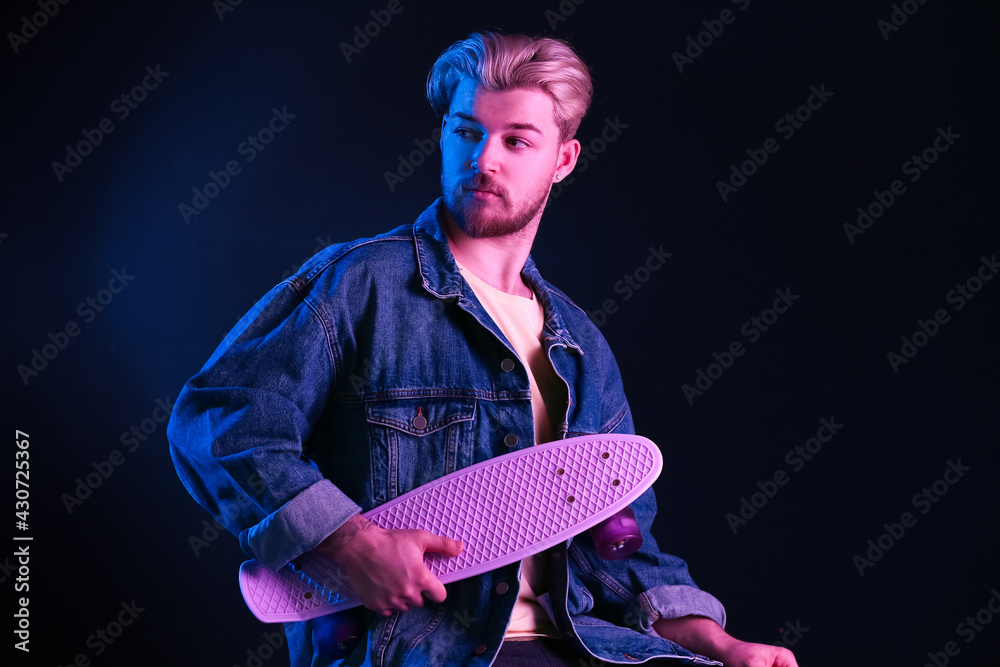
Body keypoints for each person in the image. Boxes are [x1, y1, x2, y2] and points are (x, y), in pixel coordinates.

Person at [167, 32, 798, 667]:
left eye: (516, 140)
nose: (484, 159)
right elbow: (221, 424)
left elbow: (621, 542)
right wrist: (348, 544)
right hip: (420, 649)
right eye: (467, 133)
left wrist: (717, 642)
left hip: (586, 648)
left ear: (564, 159)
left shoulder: (578, 344)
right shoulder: (357, 286)